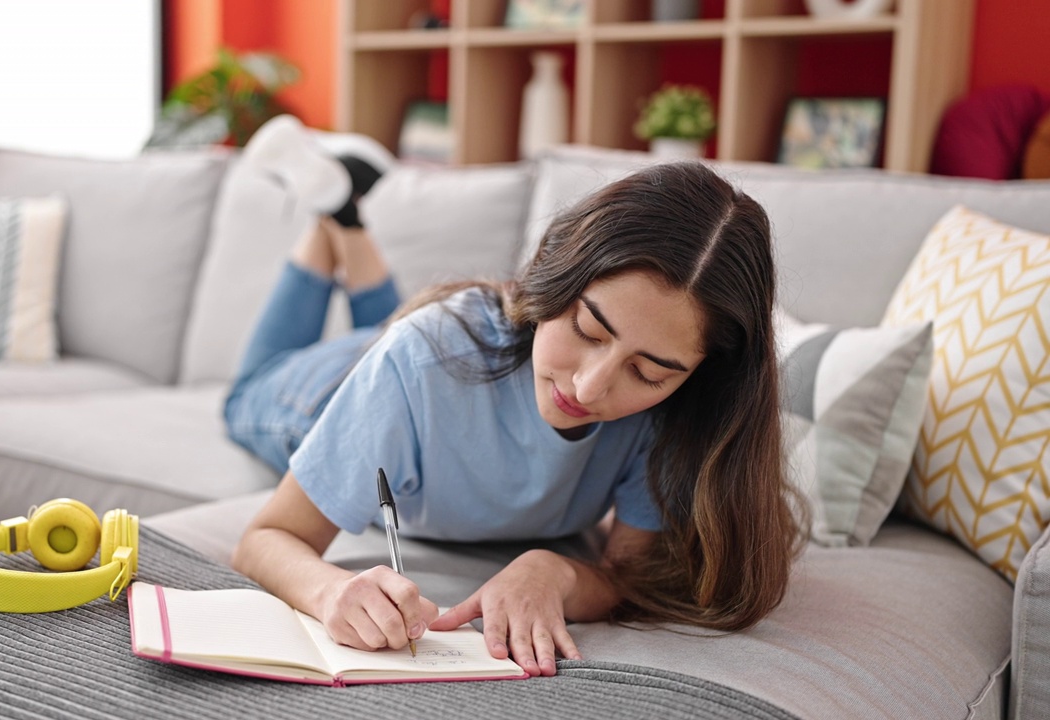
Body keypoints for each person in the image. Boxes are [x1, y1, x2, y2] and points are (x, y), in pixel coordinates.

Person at [224, 116, 805, 678]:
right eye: (587, 331)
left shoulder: (673, 414)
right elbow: (266, 539)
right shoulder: (422, 359)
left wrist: (556, 572)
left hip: (418, 361)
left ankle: (344, 212)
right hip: (311, 396)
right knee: (248, 390)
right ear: (553, 280)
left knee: (398, 339)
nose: (589, 387)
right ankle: (334, 220)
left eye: (648, 372)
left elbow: (630, 574)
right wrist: (329, 593)